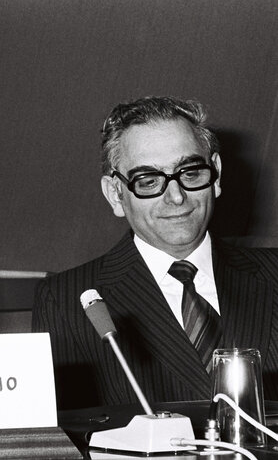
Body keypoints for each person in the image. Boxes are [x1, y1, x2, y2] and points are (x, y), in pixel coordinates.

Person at [33, 96, 278, 410]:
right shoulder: (66, 301)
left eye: (190, 173)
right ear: (116, 194)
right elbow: (68, 441)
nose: (176, 197)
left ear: (215, 173)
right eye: (148, 181)